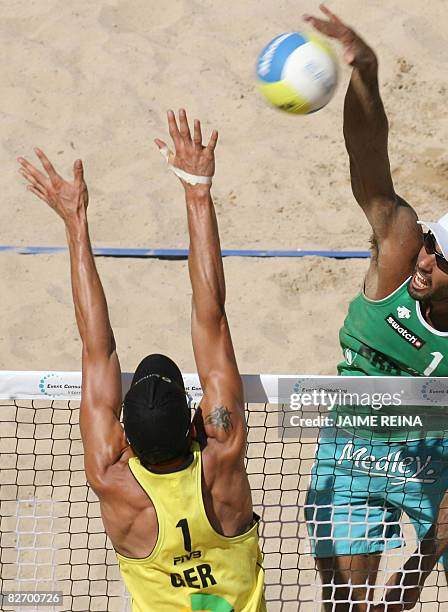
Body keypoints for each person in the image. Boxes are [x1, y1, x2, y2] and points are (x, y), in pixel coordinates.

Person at [303, 6, 448, 612]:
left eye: (444, 260)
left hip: (441, 457)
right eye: (431, 242)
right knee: (347, 602)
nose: (425, 260)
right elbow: (368, 154)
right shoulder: (400, 247)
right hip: (353, 441)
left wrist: (417, 568)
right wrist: (365, 72)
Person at [17, 109, 266, 612]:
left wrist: (75, 222)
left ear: (125, 436)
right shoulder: (222, 459)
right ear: (195, 418)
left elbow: (97, 349)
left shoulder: (114, 480)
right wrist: (198, 191)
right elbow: (211, 318)